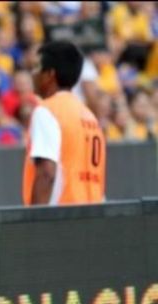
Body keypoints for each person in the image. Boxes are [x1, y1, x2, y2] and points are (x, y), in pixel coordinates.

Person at [23, 40, 106, 206]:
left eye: (37, 67)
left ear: (50, 75)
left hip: (60, 218)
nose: (33, 74)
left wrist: (32, 223)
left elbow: (47, 172)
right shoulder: (89, 116)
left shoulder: (47, 110)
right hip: (93, 217)